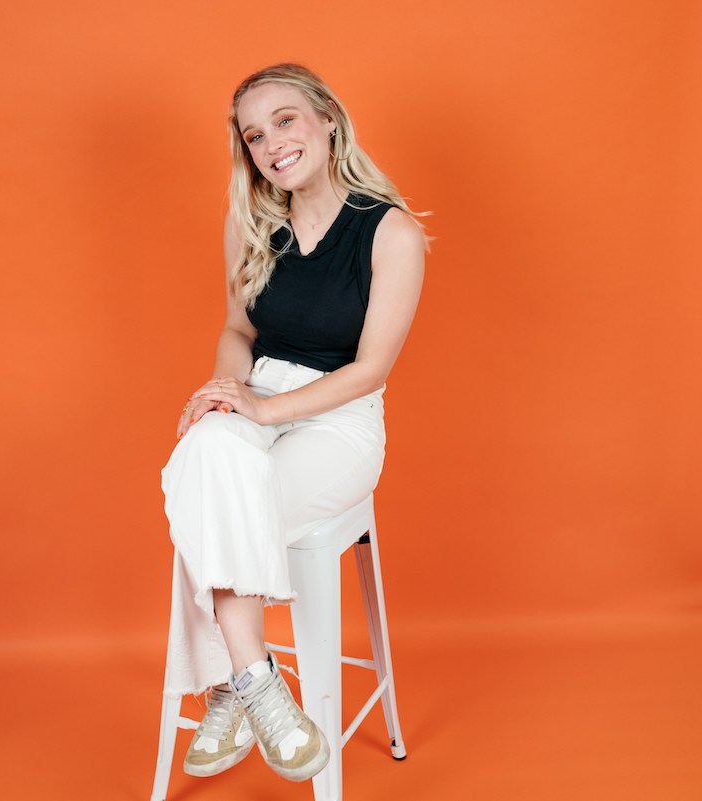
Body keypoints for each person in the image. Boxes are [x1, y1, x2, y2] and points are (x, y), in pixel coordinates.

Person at [160, 62, 427, 784]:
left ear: (327, 118)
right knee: (203, 453)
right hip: (259, 392)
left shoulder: (390, 232)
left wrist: (262, 408)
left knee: (211, 498)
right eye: (254, 134)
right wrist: (226, 390)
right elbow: (237, 330)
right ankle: (259, 681)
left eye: (284, 119)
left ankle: (229, 683)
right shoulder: (250, 220)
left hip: (340, 420)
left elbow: (370, 368)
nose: (271, 142)